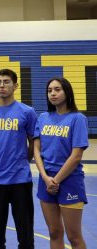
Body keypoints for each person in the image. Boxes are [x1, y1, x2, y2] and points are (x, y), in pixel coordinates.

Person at [0, 69, 37, 249]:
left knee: (25, 234)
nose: (2, 85)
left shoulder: (27, 112)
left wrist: (23, 159)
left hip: (20, 178)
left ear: (16, 85)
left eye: (6, 82)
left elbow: (33, 141)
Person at [34, 77, 88, 249]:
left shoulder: (77, 118)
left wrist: (55, 180)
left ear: (67, 92)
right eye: (50, 90)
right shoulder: (42, 117)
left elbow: (76, 155)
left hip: (69, 181)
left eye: (57, 89)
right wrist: (45, 177)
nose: (53, 93)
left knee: (74, 236)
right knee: (54, 232)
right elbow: (36, 150)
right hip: (46, 180)